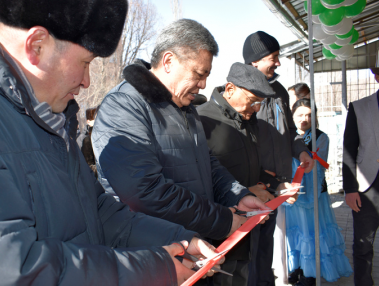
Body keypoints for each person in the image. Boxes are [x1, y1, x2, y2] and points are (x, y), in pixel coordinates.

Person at [0, 0, 222, 285]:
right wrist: (153, 267)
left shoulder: (49, 117)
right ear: (37, 46)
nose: (87, 81)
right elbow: (0, 268)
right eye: (85, 63)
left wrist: (180, 241)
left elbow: (98, 212)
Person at [92, 19, 270, 285]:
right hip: (153, 256)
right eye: (199, 74)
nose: (203, 84)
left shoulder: (185, 108)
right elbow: (144, 192)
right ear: (168, 62)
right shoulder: (124, 106)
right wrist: (221, 220)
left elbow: (208, 165)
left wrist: (238, 195)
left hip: (195, 250)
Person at [197, 62, 297, 286]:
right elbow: (200, 177)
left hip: (251, 224)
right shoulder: (202, 120)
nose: (256, 109)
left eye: (260, 103)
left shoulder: (248, 120)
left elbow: (252, 165)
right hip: (222, 230)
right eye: (253, 102)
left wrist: (277, 185)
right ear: (230, 89)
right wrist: (242, 193)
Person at [242, 31, 314, 286]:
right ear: (256, 60)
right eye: (273, 57)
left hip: (278, 185)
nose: (278, 63)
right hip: (256, 186)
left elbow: (291, 133)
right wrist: (262, 180)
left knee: (266, 247)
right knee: (250, 251)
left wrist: (302, 151)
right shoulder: (244, 93)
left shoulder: (281, 91)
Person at [286, 99, 352, 286]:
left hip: (314, 194)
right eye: (300, 115)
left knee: (313, 231)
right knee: (295, 232)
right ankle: (296, 267)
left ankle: (310, 273)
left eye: (309, 115)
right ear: (292, 116)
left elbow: (319, 166)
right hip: (293, 193)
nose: (304, 119)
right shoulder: (286, 138)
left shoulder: (320, 137)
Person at [343, 46, 379, 286]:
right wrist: (350, 189)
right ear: (377, 76)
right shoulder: (359, 107)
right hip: (367, 188)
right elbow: (349, 151)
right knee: (363, 246)